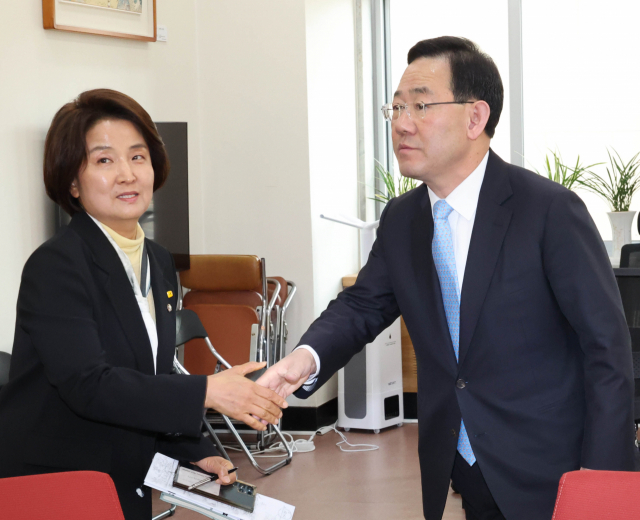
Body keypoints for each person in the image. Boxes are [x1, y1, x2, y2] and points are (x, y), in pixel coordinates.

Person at [257, 37, 638, 519]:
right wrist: (305, 358)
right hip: (465, 465)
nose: (401, 123)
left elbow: (606, 347)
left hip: (552, 469)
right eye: (396, 107)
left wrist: (602, 477)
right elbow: (362, 305)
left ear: (475, 118)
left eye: (420, 105)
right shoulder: (403, 219)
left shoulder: (548, 211)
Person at [0, 89, 288, 520]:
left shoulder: (157, 259)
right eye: (104, 160)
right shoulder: (57, 265)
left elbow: (148, 377)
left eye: (137, 157)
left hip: (121, 477)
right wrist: (208, 391)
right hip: (61, 484)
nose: (127, 174)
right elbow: (90, 385)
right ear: (72, 182)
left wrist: (196, 450)